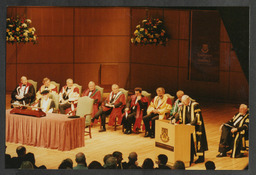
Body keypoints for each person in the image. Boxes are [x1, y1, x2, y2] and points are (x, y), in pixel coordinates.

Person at [173, 95, 208, 164]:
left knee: (199, 141)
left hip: (196, 127)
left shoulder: (195, 105)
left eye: (184, 102)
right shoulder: (184, 105)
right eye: (182, 102)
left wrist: (191, 124)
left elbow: (197, 116)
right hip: (187, 127)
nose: (183, 103)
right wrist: (175, 119)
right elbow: (180, 113)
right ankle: (190, 158)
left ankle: (201, 158)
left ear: (188, 100)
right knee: (190, 143)